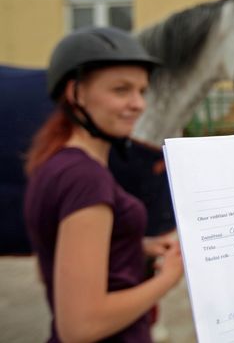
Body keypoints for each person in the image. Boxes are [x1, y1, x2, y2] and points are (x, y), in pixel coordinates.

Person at [24, 27, 184, 342]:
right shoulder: (85, 179)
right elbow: (81, 326)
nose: (138, 104)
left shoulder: (59, 163)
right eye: (121, 90)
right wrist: (169, 278)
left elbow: (67, 251)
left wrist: (136, 245)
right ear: (76, 94)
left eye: (142, 91)